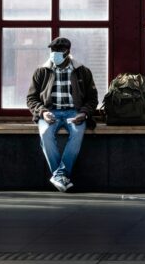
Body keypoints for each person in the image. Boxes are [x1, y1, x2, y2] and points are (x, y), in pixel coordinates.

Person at [26, 36, 98, 192]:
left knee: (77, 134)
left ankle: (60, 175)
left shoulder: (82, 72)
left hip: (75, 112)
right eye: (53, 51)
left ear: (68, 52)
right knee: (45, 134)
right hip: (50, 111)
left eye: (59, 51)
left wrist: (84, 113)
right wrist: (42, 112)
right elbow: (31, 98)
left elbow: (93, 99)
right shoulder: (42, 71)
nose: (55, 54)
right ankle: (62, 176)